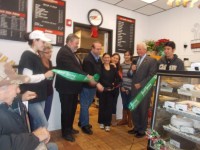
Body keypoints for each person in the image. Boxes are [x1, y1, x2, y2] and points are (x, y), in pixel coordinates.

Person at [0, 62, 57, 150]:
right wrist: (34, 137)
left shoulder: (5, 101)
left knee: (53, 147)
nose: (19, 91)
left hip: (24, 143)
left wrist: (21, 97)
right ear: (1, 90)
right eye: (16, 87)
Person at [18, 30, 54, 131]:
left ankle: (36, 145)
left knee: (36, 124)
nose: (44, 44)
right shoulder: (27, 55)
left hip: (40, 96)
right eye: (42, 42)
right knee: (43, 124)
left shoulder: (36, 56)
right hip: (32, 98)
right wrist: (44, 75)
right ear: (35, 41)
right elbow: (26, 78)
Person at [55, 34, 88, 142]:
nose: (77, 46)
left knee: (72, 109)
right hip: (66, 88)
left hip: (72, 88)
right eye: (76, 43)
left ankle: (69, 128)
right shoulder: (64, 52)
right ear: (69, 42)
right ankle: (65, 133)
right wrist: (86, 76)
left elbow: (77, 67)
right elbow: (73, 69)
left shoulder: (71, 53)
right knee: (67, 110)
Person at [127, 42, 157, 138]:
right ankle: (136, 127)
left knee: (143, 110)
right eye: (137, 49)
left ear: (145, 50)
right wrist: (132, 70)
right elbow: (129, 74)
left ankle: (142, 130)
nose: (138, 51)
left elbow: (152, 76)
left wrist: (141, 84)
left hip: (144, 90)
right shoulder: (135, 60)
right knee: (134, 108)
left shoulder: (151, 60)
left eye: (140, 49)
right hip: (134, 89)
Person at [78, 41, 104, 135]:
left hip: (92, 87)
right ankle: (85, 125)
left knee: (86, 105)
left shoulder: (98, 58)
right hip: (87, 86)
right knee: (85, 105)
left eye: (100, 48)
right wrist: (98, 84)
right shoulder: (88, 59)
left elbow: (99, 70)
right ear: (92, 48)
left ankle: (81, 121)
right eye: (97, 49)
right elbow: (90, 76)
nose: (99, 50)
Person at [98, 53, 121, 132]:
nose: (107, 59)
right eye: (105, 57)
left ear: (110, 58)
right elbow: (98, 78)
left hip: (111, 90)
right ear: (103, 59)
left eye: (108, 57)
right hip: (102, 90)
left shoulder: (113, 67)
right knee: (102, 107)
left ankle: (107, 124)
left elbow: (118, 79)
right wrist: (104, 86)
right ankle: (101, 122)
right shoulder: (99, 67)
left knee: (109, 108)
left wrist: (114, 85)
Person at [38, 43, 54, 120]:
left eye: (50, 52)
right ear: (41, 52)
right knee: (40, 118)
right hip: (41, 92)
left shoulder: (50, 62)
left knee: (46, 115)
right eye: (47, 52)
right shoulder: (38, 62)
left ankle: (44, 131)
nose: (50, 54)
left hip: (49, 92)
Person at [117, 50, 133, 128]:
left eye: (128, 55)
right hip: (123, 88)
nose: (126, 56)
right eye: (125, 55)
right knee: (124, 104)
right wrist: (121, 87)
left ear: (131, 56)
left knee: (130, 105)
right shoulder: (121, 65)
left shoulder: (133, 65)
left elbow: (135, 78)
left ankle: (129, 120)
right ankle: (124, 119)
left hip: (131, 89)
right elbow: (119, 78)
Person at [110, 53, 122, 126]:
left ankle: (113, 119)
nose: (115, 59)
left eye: (117, 58)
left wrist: (114, 68)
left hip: (116, 89)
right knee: (108, 104)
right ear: (111, 58)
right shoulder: (107, 66)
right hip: (108, 89)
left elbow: (120, 79)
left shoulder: (119, 68)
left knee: (114, 104)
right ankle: (107, 119)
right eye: (114, 57)